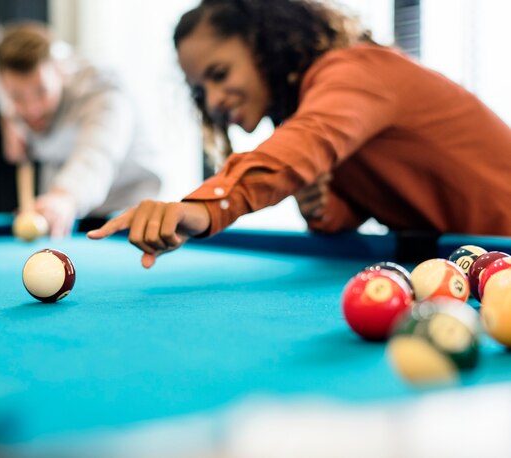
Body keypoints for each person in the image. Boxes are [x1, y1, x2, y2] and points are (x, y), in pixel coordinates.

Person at [87, 0, 511, 268]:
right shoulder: (311, 108)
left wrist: (203, 208)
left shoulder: (356, 71)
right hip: (473, 261)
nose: (213, 99)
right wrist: (324, 210)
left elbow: (301, 146)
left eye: (220, 74)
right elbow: (358, 205)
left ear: (262, 43)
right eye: (201, 89)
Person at [0, 22, 161, 237]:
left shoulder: (102, 90)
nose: (32, 110)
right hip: (61, 203)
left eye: (41, 92)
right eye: (17, 97)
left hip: (126, 200)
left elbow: (96, 156)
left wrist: (64, 197)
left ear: (60, 72)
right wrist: (9, 120)